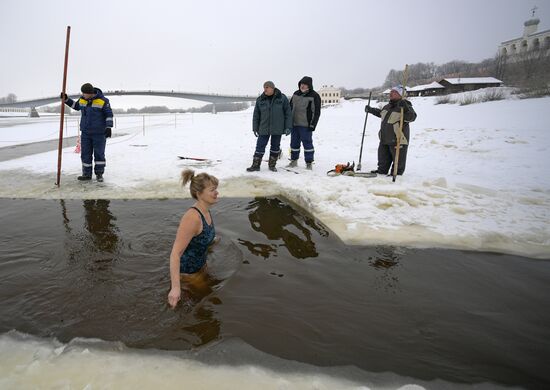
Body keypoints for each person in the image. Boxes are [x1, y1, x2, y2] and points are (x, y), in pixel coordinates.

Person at [168, 169, 219, 309]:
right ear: (199, 194)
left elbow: (202, 236)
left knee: (209, 299)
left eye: (216, 189)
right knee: (207, 299)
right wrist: (175, 288)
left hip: (201, 267)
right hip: (187, 273)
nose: (217, 193)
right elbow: (175, 254)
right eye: (212, 190)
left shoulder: (206, 211)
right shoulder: (192, 218)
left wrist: (212, 241)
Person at [61, 83, 113, 182]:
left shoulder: (103, 101)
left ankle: (99, 174)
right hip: (85, 133)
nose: (83, 95)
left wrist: (109, 127)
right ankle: (86, 174)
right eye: (83, 93)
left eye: (85, 93)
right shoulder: (82, 100)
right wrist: (66, 99)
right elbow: (76, 106)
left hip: (99, 133)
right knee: (85, 154)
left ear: (90, 93)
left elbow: (109, 114)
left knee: (99, 154)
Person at [365, 85, 417, 176]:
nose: (391, 93)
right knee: (382, 157)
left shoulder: (405, 106)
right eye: (391, 91)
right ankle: (382, 171)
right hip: (384, 138)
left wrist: (405, 107)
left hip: (398, 139)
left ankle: (396, 173)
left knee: (398, 159)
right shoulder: (387, 106)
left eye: (394, 92)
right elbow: (381, 114)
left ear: (400, 95)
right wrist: (371, 110)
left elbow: (412, 117)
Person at [246, 81, 292, 172]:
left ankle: (272, 165)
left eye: (267, 87)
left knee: (275, 146)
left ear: (272, 88)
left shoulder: (282, 98)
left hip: (277, 127)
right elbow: (256, 115)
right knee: (260, 146)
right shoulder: (260, 99)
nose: (265, 89)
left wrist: (288, 127)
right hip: (263, 127)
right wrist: (255, 128)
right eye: (264, 87)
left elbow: (288, 113)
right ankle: (256, 165)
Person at [288, 76, 321, 170]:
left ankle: (309, 163)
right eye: (301, 84)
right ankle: (294, 161)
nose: (302, 86)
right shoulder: (295, 93)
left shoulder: (314, 96)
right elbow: (290, 108)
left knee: (307, 144)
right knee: (294, 144)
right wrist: (288, 121)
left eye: (305, 84)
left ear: (309, 86)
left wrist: (313, 124)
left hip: (306, 125)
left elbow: (316, 112)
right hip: (294, 124)